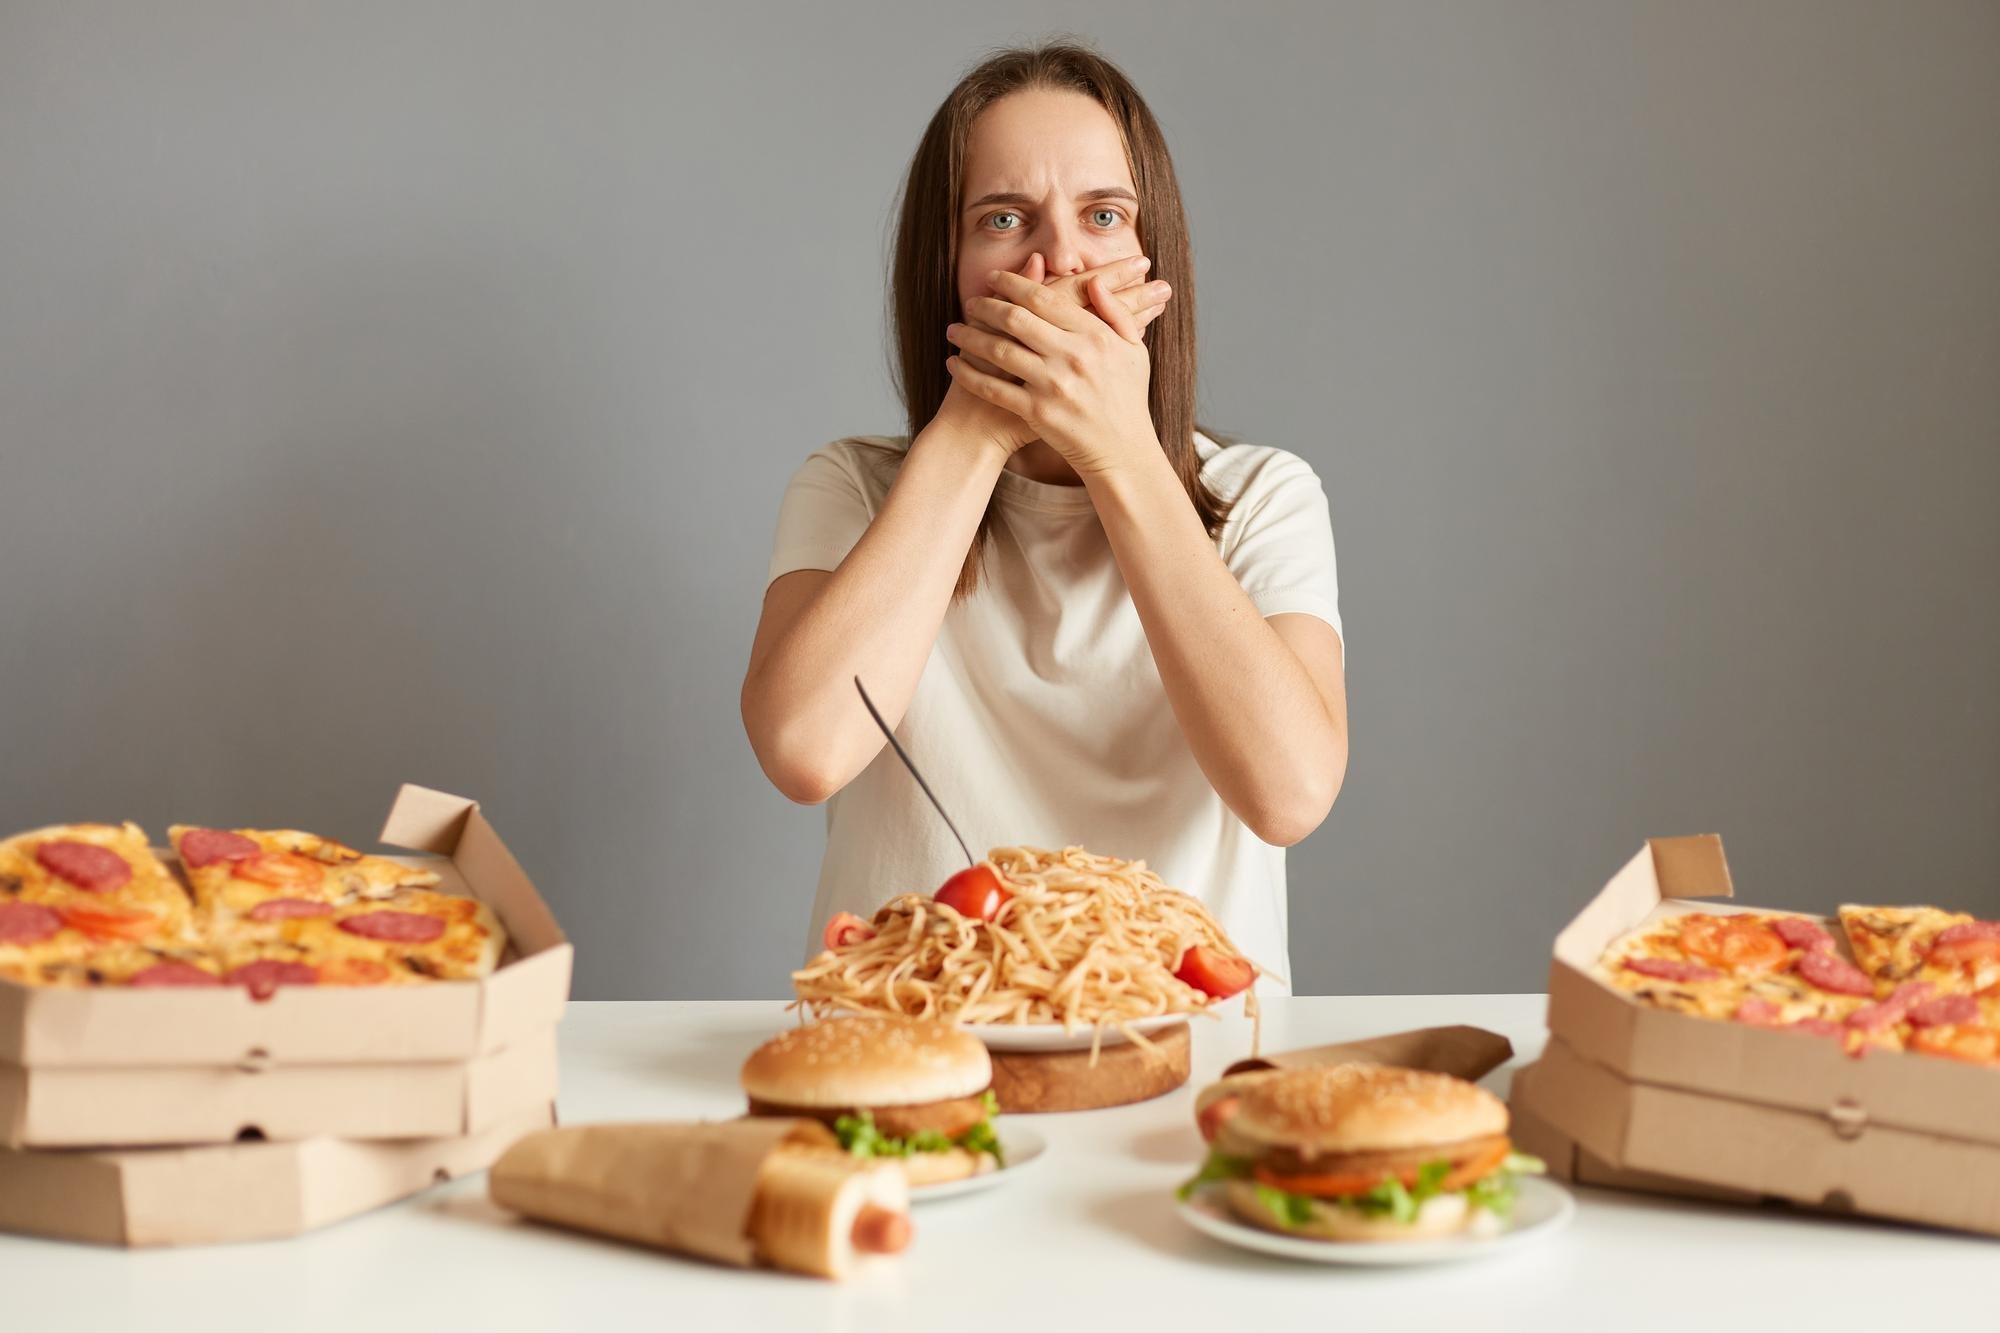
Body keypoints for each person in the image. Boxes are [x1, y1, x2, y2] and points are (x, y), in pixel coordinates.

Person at [741, 41, 1346, 989]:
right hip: (917, 1036)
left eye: (1103, 215)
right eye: (1003, 219)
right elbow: (805, 750)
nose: (1057, 258)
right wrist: (975, 431)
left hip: (1185, 1050)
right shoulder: (850, 487)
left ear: (1155, 260)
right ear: (948, 268)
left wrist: (1118, 449)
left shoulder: (1266, 495)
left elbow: (1290, 793)